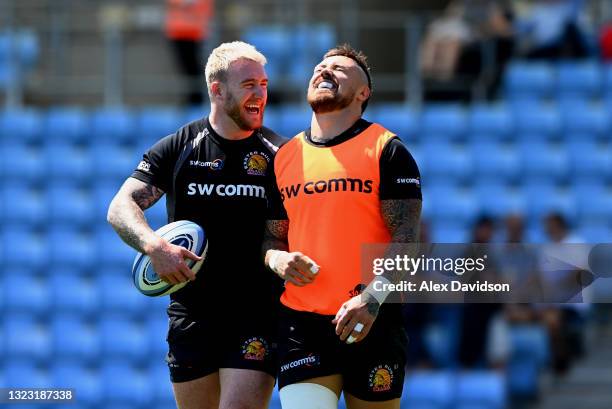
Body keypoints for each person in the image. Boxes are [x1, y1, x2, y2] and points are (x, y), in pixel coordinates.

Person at [107, 41, 286, 409]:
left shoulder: (279, 155)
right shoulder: (180, 147)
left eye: (264, 84)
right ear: (217, 90)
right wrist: (154, 246)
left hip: (256, 313)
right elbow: (120, 207)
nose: (260, 93)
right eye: (249, 84)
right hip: (191, 314)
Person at [263, 44, 422, 409]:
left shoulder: (387, 150)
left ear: (363, 93)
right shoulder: (285, 157)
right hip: (302, 323)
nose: (325, 71)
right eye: (320, 66)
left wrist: (371, 298)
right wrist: (277, 261)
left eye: (339, 68)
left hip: (374, 317)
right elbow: (271, 238)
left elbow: (407, 239)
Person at [165, 0, 215, 105]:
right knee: (185, 69)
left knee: (197, 68)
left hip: (197, 33)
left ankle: (197, 99)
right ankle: (192, 99)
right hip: (178, 32)